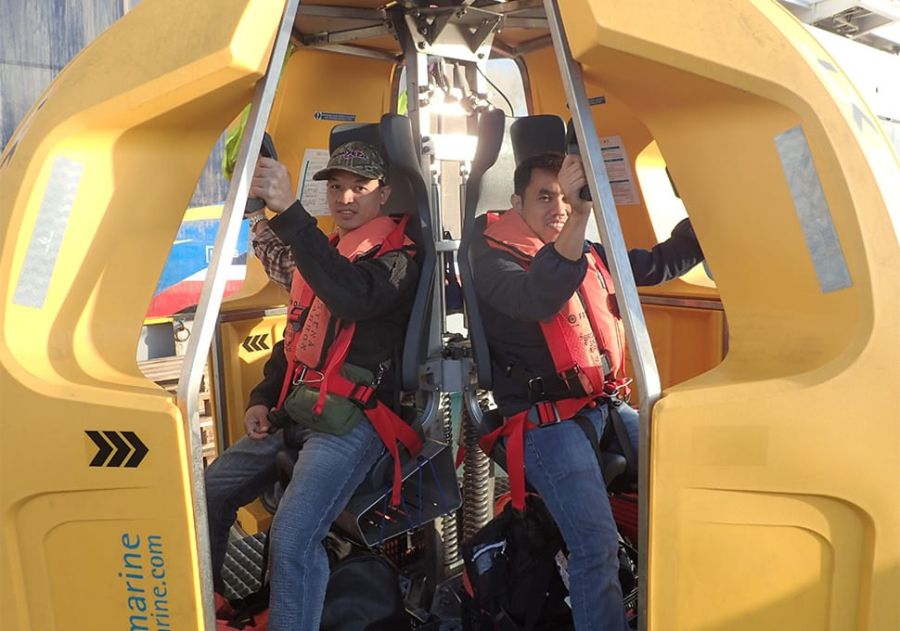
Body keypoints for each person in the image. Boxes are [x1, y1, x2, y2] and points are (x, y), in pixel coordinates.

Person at [473, 152, 704, 630]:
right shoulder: (492, 260)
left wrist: (704, 212)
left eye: (565, 196)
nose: (558, 207)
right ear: (517, 202)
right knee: (594, 544)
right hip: (544, 424)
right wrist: (580, 215)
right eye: (544, 197)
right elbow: (538, 296)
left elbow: (658, 264)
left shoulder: (591, 251)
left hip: (604, 407)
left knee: (691, 486)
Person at [204, 141, 420, 631]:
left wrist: (291, 214)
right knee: (209, 493)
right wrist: (262, 398)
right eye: (337, 188)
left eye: (358, 188)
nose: (345, 198)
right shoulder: (325, 250)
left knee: (293, 537)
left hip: (353, 423)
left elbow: (353, 298)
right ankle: (214, 607)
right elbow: (300, 337)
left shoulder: (399, 257)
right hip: (298, 410)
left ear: (382, 193)